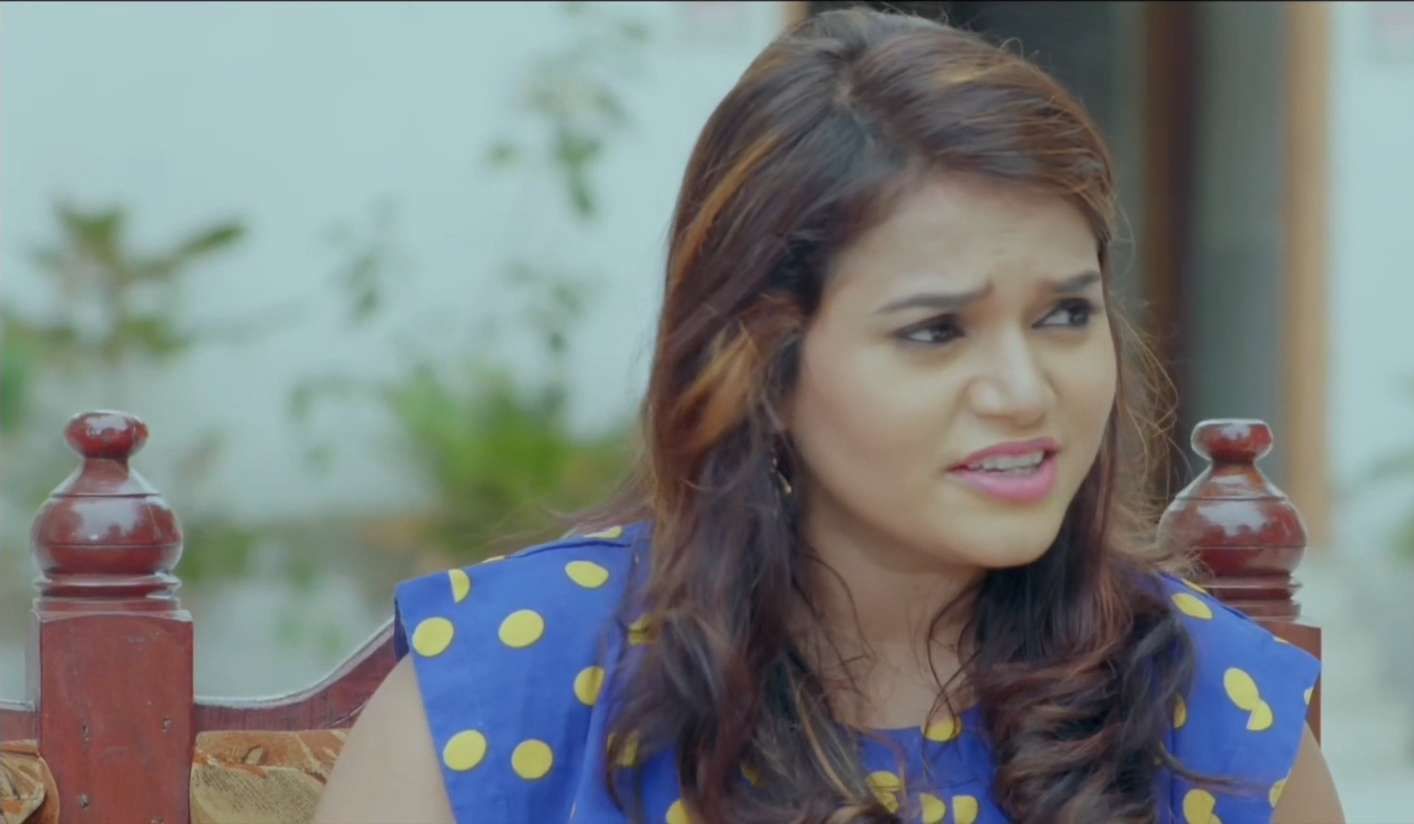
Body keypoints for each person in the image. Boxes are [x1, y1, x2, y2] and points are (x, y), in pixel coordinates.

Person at [315, 6, 1343, 823]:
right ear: (759, 365)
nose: (1026, 389)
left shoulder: (1215, 718)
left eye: (1065, 315)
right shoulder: (518, 687)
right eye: (936, 331)